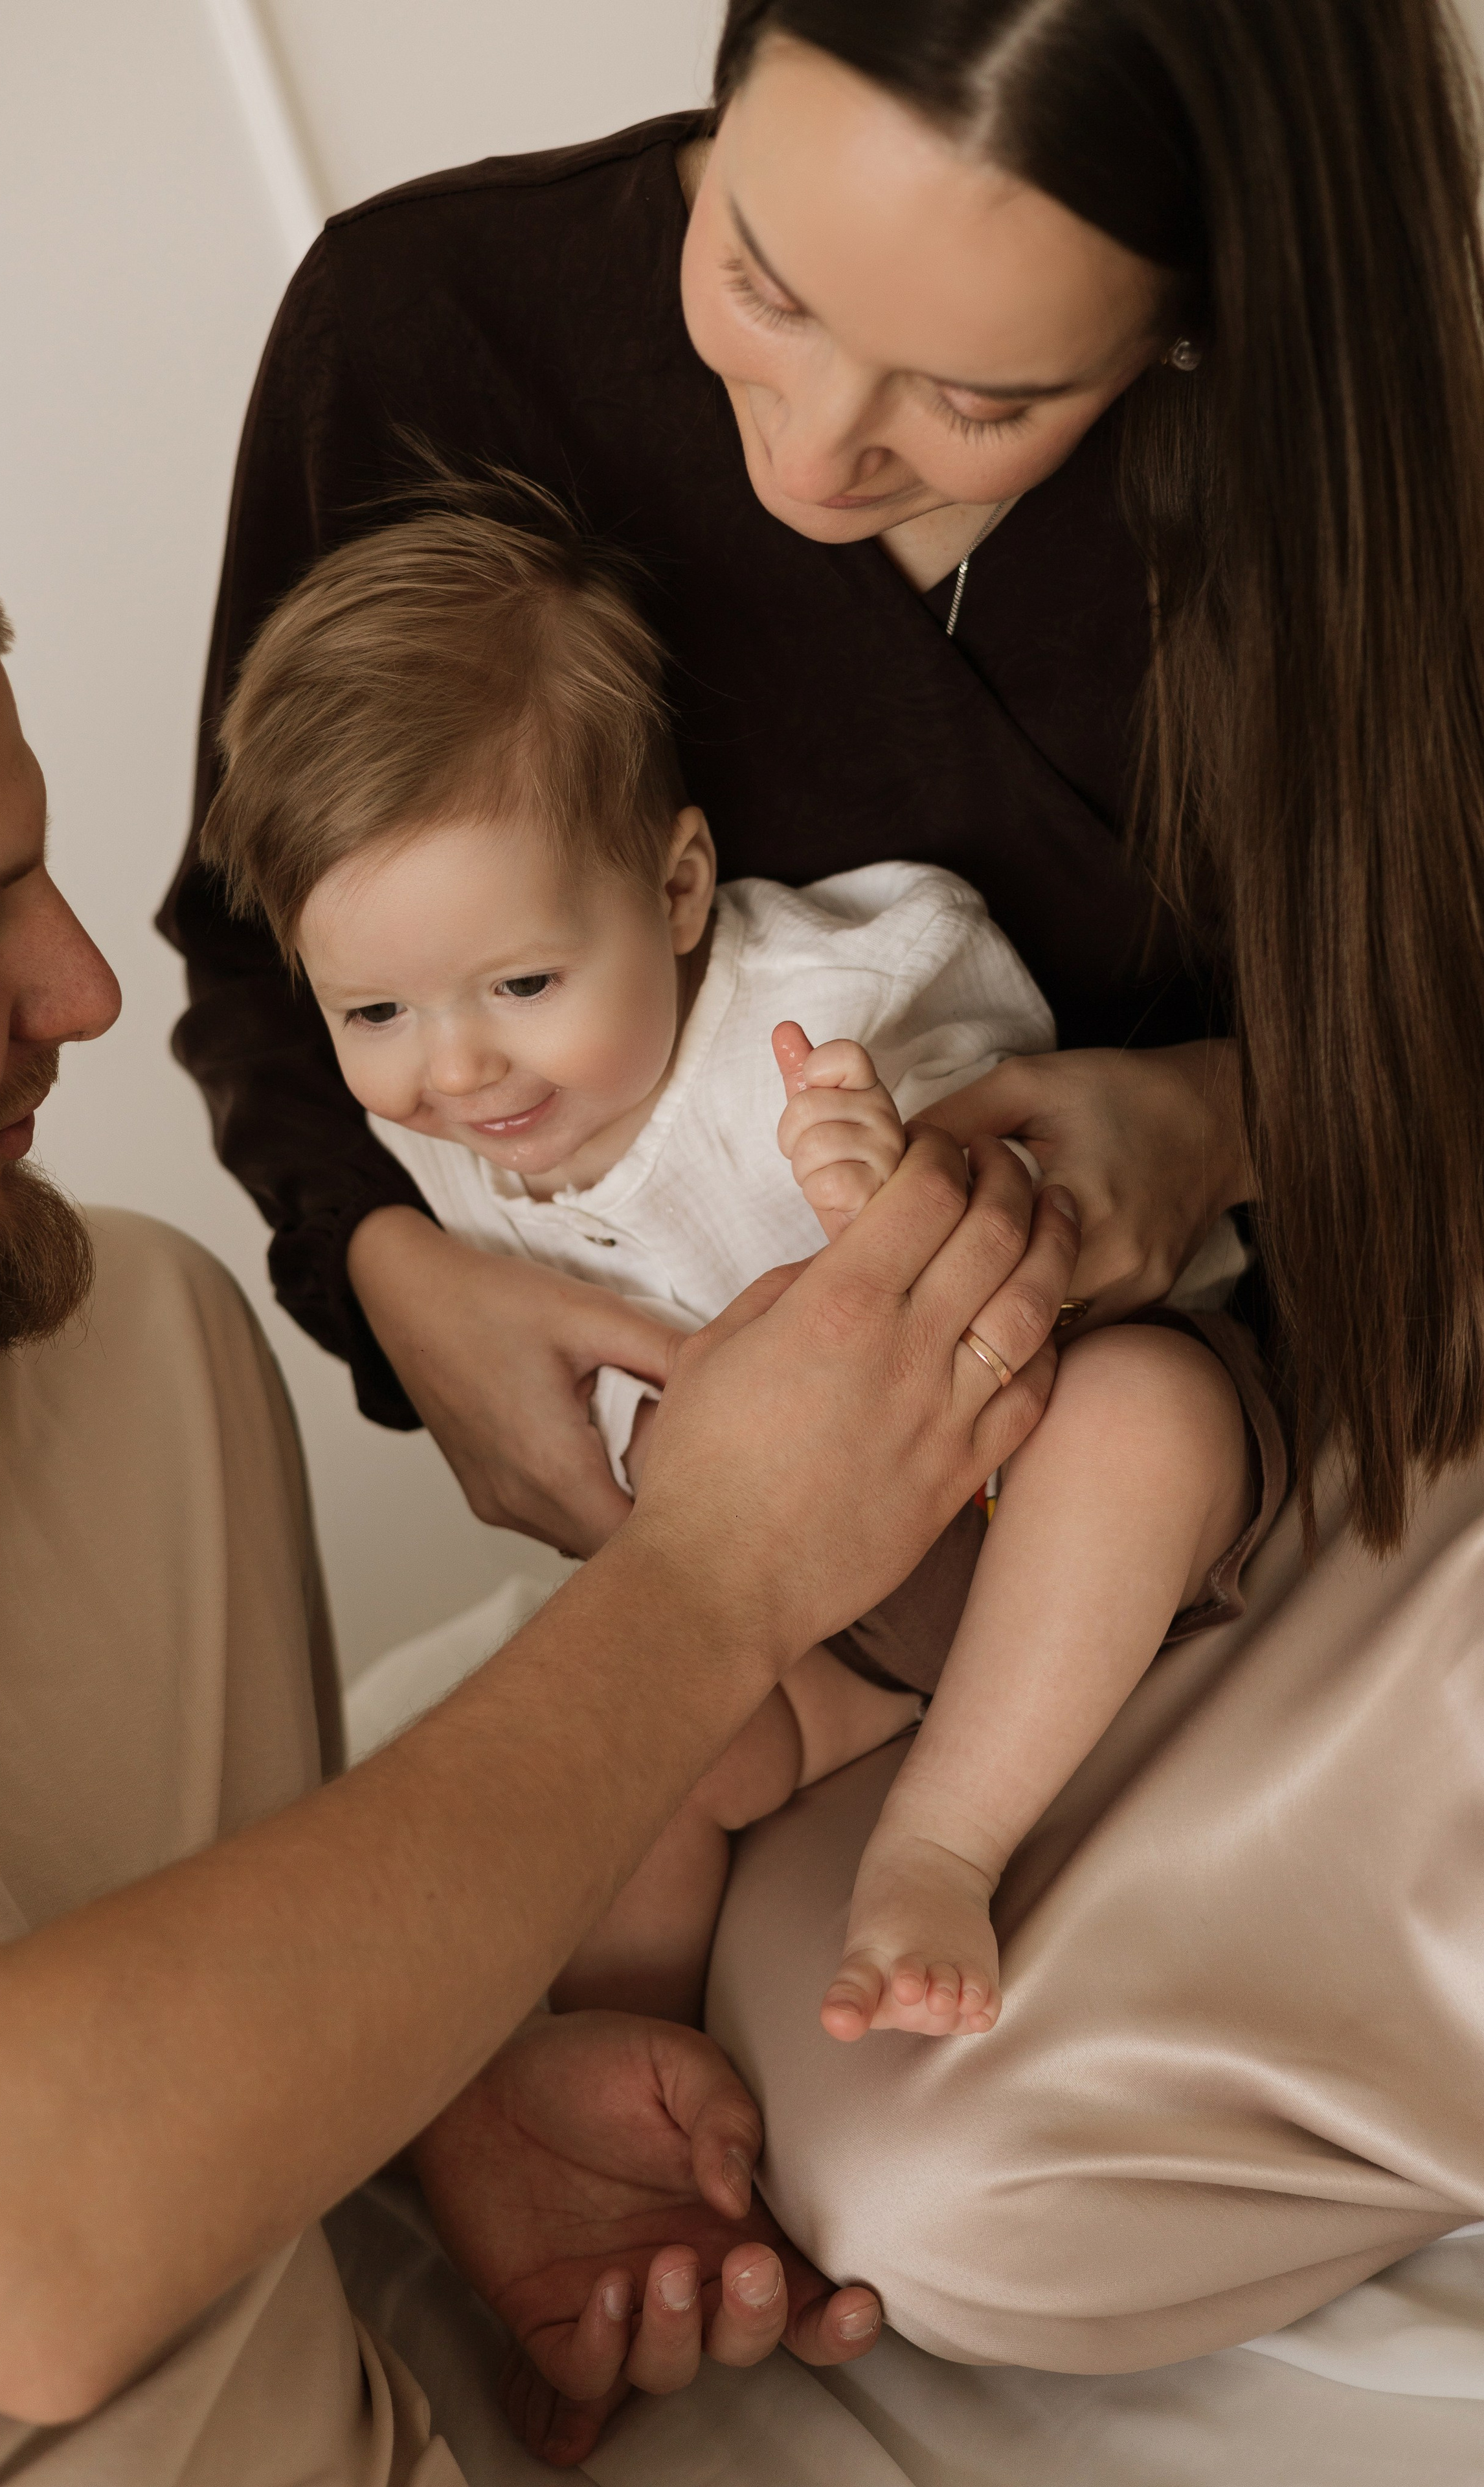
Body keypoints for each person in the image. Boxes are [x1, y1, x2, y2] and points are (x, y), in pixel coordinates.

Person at [161, 0, 1484, 2393]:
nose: (810, 455)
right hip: (863, 1615)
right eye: (760, 277)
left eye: (982, 399)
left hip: (1342, 1405)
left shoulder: (1386, 455)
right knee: (924, 2195)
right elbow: (272, 961)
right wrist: (400, 1277)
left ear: (1207, 320)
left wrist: (1225, 1110)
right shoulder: (429, 336)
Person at [0, 470, 1077, 2479]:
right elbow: (11, 2244)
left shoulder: (127, 1343)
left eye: (46, 878)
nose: (89, 990)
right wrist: (714, 1571)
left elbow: (161, 2001)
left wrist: (437, 2103)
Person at [201, 488, 1279, 2043]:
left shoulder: (832, 1004)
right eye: (374, 1014)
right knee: (625, 1775)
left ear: (678, 887)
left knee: (1143, 1417)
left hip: (1028, 1486)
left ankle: (938, 1845)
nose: (459, 1072)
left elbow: (1072, 1215)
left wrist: (909, 1177)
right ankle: (629, 2073)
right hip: (825, 1626)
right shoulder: (441, 1151)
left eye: (519, 981)